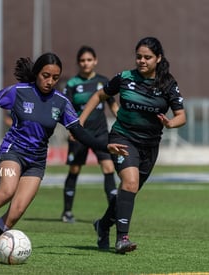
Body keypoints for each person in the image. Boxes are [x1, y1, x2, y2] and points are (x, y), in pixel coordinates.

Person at [0, 52, 128, 259]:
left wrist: (105, 145)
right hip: (12, 151)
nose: (50, 81)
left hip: (37, 160)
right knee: (7, 191)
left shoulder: (61, 102)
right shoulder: (19, 92)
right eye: (45, 75)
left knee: (16, 212)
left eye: (55, 78)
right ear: (37, 73)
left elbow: (79, 132)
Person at [79, 37, 186, 254]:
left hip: (150, 145)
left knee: (129, 191)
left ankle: (103, 225)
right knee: (129, 183)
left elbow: (181, 115)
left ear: (158, 58)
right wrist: (79, 122)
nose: (142, 61)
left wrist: (170, 123)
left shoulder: (167, 83)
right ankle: (122, 239)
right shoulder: (125, 78)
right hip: (123, 138)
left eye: (147, 57)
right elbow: (100, 95)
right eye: (139, 57)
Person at [61, 46, 119, 223]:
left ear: (95, 61)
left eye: (89, 60)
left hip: (101, 132)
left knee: (108, 168)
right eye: (82, 60)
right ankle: (67, 212)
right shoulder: (71, 84)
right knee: (75, 169)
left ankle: (114, 212)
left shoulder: (103, 81)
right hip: (80, 134)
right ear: (79, 63)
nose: (85, 63)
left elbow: (113, 106)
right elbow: (66, 110)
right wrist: (71, 129)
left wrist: (125, 122)